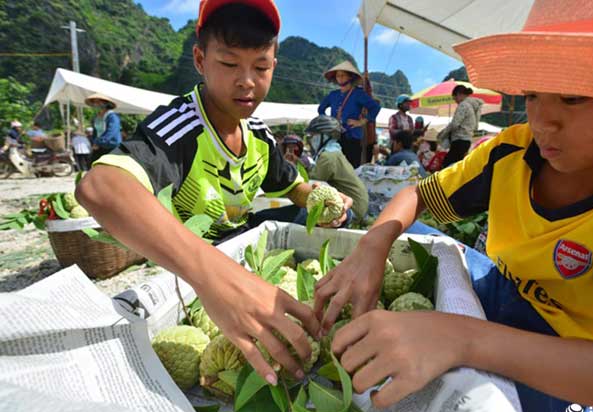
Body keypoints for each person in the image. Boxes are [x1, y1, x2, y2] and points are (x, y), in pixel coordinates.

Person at [313, 1, 593, 412]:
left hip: (575, 359)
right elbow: (416, 196)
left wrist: (465, 339)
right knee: (409, 236)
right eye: (532, 94)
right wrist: (371, 247)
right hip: (501, 290)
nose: (542, 119)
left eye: (574, 96)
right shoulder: (511, 153)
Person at [76, 0, 354, 386]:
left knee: (334, 222)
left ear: (274, 65)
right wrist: (215, 278)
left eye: (261, 67)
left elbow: (293, 186)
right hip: (192, 261)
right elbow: (100, 186)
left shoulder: (258, 134)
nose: (247, 81)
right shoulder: (181, 126)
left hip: (242, 247)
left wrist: (322, 201)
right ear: (199, 59)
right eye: (228, 64)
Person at [318, 61, 381, 168]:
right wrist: (328, 122)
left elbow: (375, 107)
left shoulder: (358, 94)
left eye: (343, 75)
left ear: (350, 77)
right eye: (338, 75)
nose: (340, 78)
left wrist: (361, 122)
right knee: (335, 168)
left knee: (351, 168)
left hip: (352, 137)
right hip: (335, 137)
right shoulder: (333, 95)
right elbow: (321, 109)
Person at [437, 84, 483, 168]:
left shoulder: (463, 105)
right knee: (457, 166)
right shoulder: (473, 107)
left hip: (459, 140)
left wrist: (443, 134)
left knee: (447, 166)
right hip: (467, 140)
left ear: (459, 94)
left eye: (455, 98)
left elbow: (455, 124)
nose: (456, 101)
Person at [85, 93, 121, 163]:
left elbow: (111, 132)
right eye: (94, 102)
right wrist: (94, 142)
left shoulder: (112, 116)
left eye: (98, 102)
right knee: (92, 164)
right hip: (100, 146)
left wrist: (98, 142)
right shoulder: (96, 117)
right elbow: (95, 132)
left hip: (111, 146)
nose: (96, 104)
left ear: (106, 103)